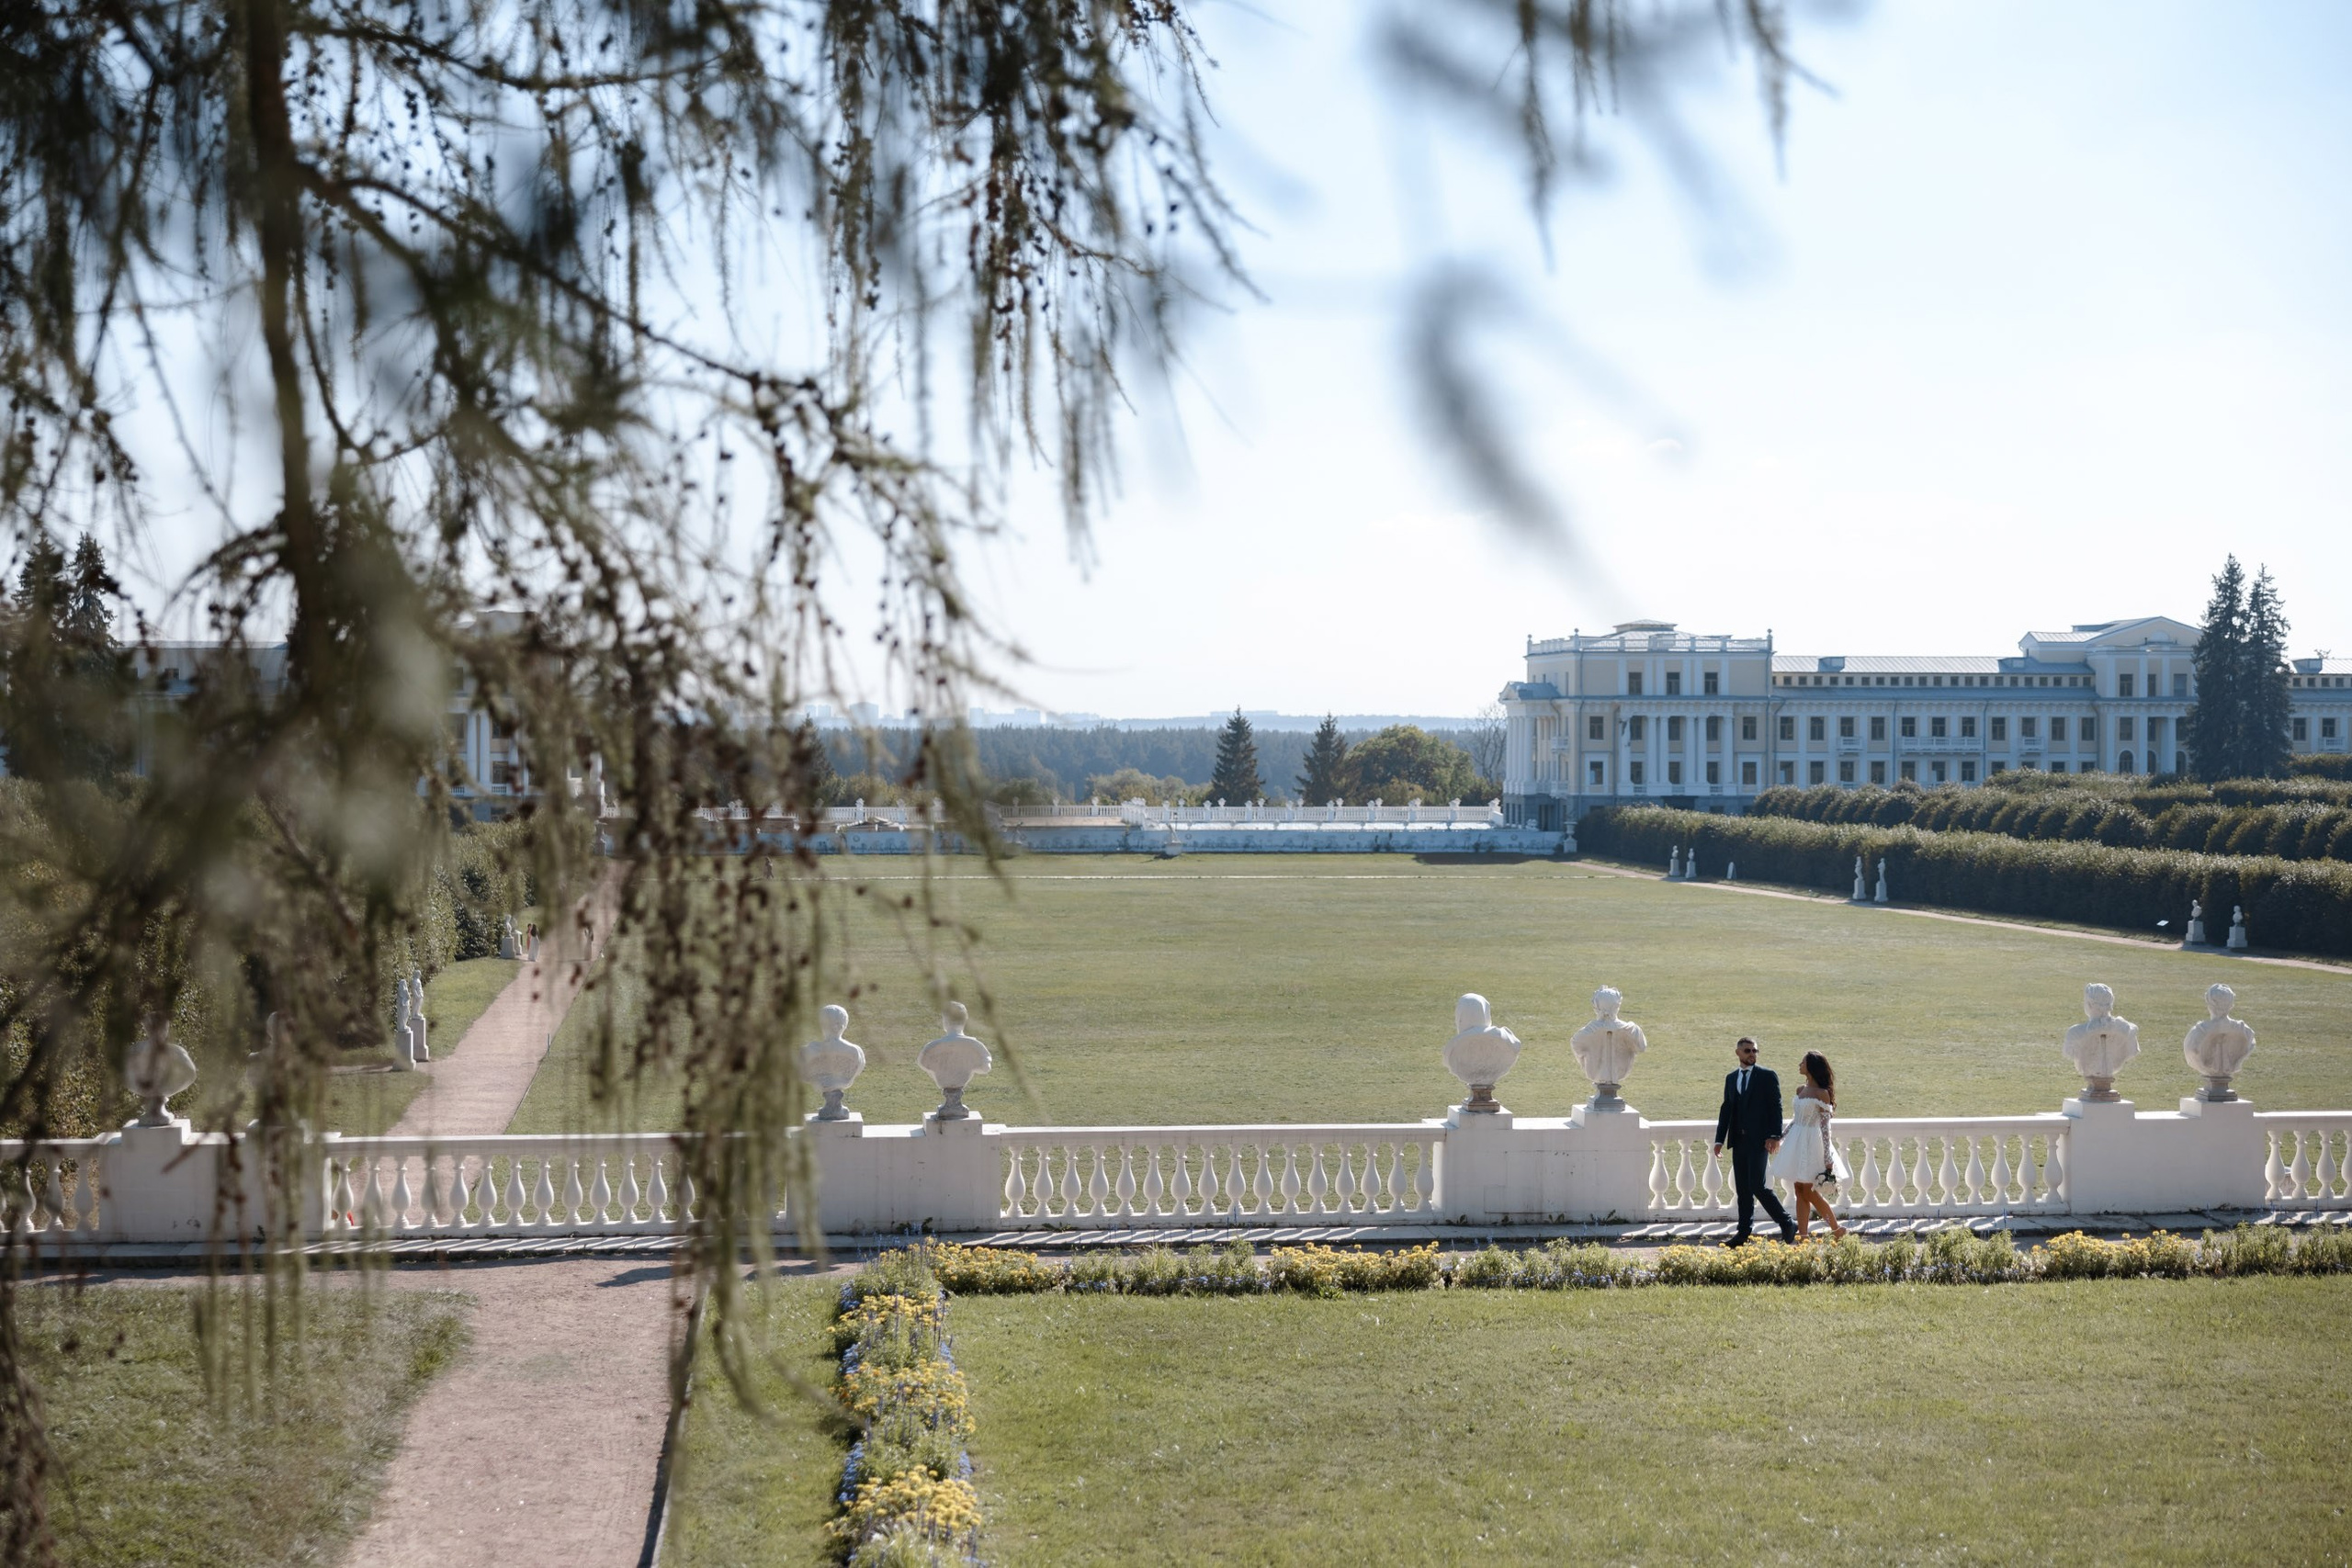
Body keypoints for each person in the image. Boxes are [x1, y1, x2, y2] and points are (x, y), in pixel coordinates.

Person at [1713, 1036, 1795, 1246]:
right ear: (1738, 1053)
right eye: (1748, 1050)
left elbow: (1776, 1106)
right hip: (1739, 1141)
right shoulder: (1731, 1078)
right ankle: (1743, 1234)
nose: (1752, 1054)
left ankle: (1787, 1222)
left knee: (1757, 1185)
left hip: (1760, 1141)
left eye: (1755, 1051)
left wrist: (1775, 1136)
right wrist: (1719, 1139)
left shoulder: (1767, 1076)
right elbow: (1726, 1109)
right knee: (1742, 1189)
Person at [1767, 1050, 1849, 1240]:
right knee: (1799, 1190)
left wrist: (1827, 1156)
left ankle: (1836, 1229)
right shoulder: (1800, 1090)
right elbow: (1796, 1120)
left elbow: (1825, 1127)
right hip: (1797, 1141)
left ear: (1811, 1067)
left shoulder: (1822, 1094)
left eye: (1802, 1062)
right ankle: (1803, 1237)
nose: (1799, 1065)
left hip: (1813, 1144)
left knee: (1809, 1191)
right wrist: (1781, 1138)